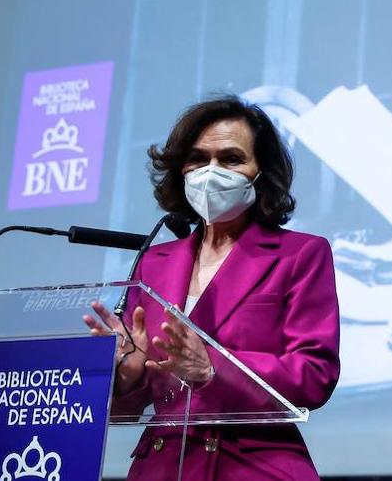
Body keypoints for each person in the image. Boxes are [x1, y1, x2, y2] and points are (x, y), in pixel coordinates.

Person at [83, 96, 340, 480]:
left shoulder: (301, 254)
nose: (211, 171)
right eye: (199, 158)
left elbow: (314, 373)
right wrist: (128, 377)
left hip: (253, 465)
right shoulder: (154, 262)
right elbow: (137, 403)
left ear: (260, 172)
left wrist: (213, 368)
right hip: (162, 466)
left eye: (232, 159)